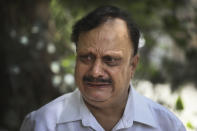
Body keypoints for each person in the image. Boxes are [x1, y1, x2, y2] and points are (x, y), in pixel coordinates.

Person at [20, 5, 186, 131]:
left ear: (132, 65)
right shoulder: (43, 124)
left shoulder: (166, 126)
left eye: (110, 60)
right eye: (86, 57)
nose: (95, 71)